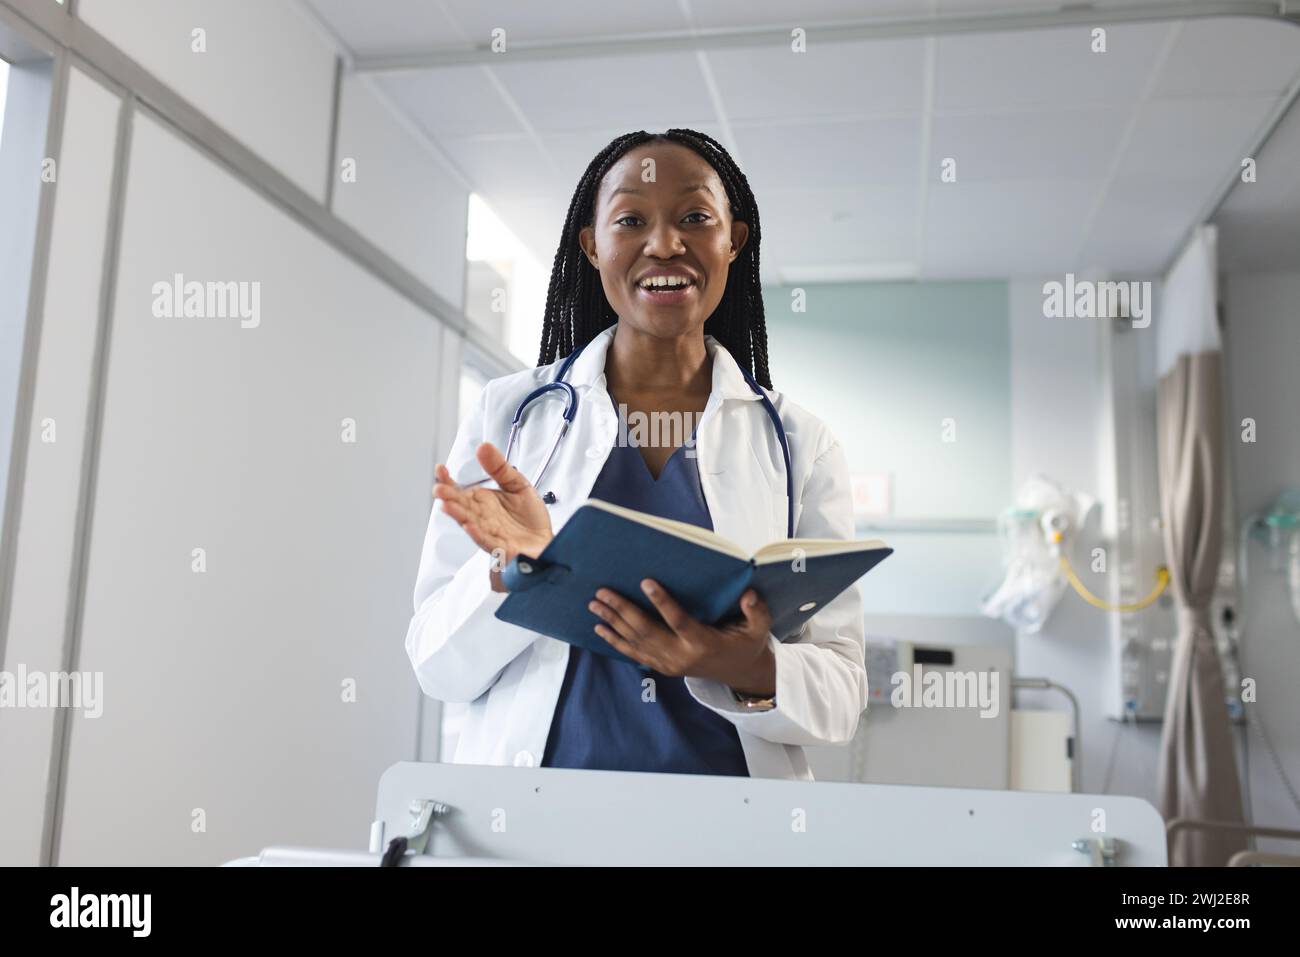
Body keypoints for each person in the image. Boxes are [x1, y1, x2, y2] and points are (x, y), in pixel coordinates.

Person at [405, 129, 866, 780]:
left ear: (733, 239)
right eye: (631, 220)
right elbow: (434, 664)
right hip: (534, 822)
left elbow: (842, 691)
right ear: (593, 245)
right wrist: (515, 573)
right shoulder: (508, 416)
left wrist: (742, 664)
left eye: (694, 218)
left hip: (728, 832)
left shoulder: (798, 443)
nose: (664, 243)